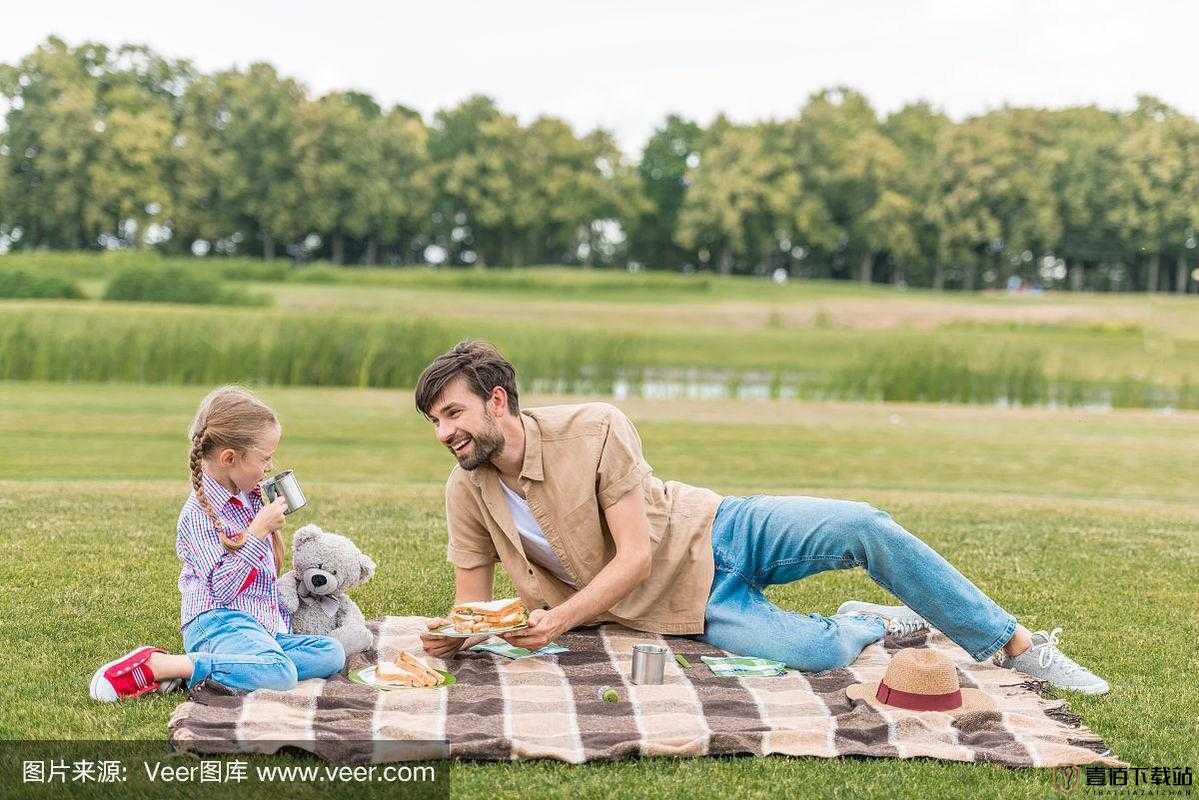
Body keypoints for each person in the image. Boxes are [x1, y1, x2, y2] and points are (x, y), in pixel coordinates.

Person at [418, 341, 1108, 695]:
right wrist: (456, 638)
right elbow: (474, 606)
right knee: (813, 653)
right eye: (434, 421)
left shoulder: (595, 427)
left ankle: (1018, 647)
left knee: (862, 525)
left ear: (497, 401)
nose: (444, 432)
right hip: (680, 607)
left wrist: (561, 620)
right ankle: (871, 620)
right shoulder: (466, 490)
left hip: (717, 528)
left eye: (452, 413)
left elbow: (632, 555)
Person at [88, 386, 345, 701]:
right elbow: (224, 590)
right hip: (217, 623)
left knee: (332, 653)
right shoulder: (197, 516)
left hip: (258, 626)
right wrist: (257, 533)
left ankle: (211, 670)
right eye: (264, 458)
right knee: (282, 673)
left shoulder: (247, 496)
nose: (269, 466)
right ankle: (160, 665)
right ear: (229, 458)